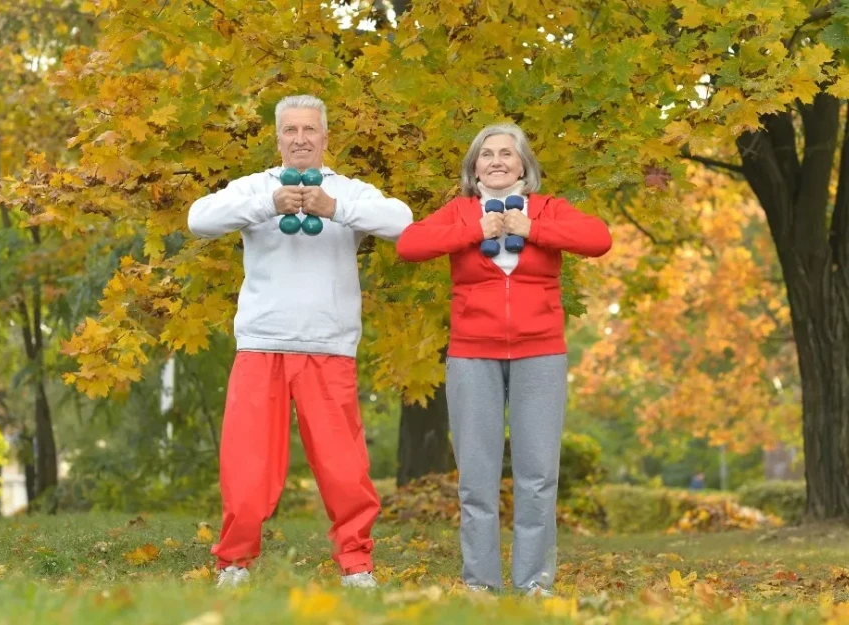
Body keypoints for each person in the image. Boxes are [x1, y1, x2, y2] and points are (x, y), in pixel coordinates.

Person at [187, 94, 413, 590]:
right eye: (291, 130)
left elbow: (403, 222)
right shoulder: (256, 188)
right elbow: (198, 219)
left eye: (310, 130)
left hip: (328, 346)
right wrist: (267, 204)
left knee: (343, 469)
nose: (300, 139)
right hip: (261, 344)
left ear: (326, 138)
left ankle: (356, 564)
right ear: (278, 138)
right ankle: (234, 564)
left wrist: (336, 208)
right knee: (247, 468)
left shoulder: (349, 191)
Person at [396, 123, 612, 596]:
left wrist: (530, 228)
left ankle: (534, 583)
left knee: (537, 476)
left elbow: (599, 239)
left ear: (524, 166)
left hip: (541, 352)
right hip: (473, 354)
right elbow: (410, 244)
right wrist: (474, 231)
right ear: (474, 168)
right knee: (476, 478)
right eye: (486, 154)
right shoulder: (459, 212)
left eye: (506, 154)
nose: (496, 161)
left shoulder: (548, 208)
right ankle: (481, 585)